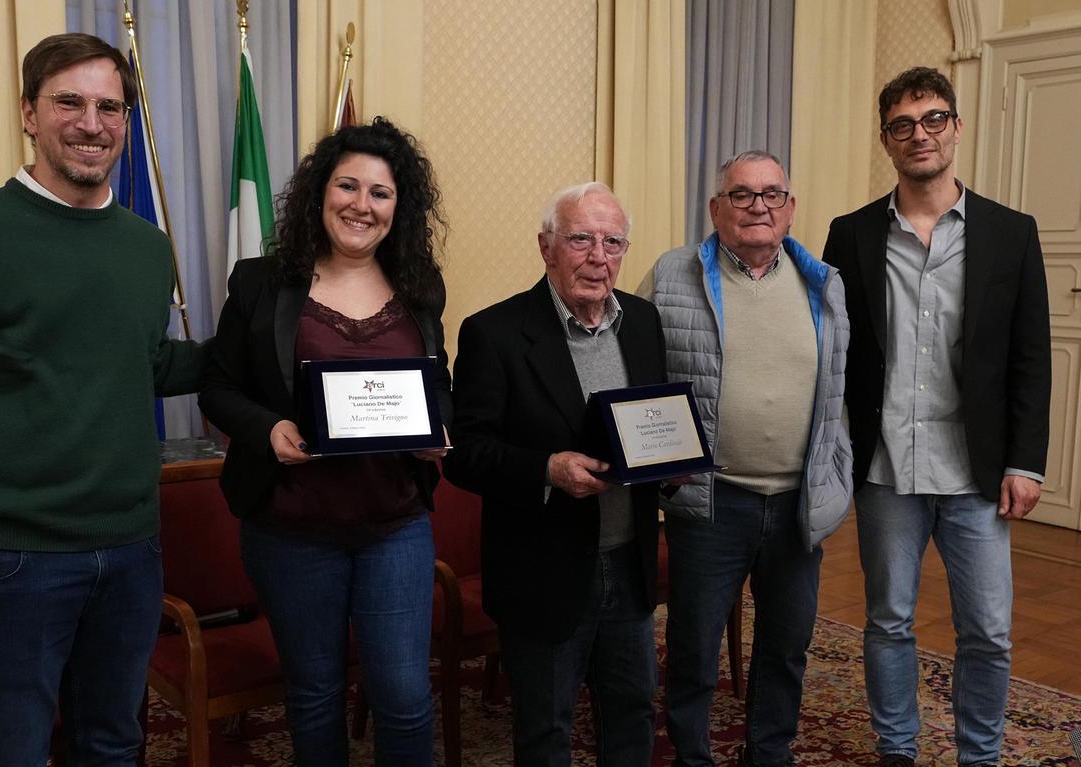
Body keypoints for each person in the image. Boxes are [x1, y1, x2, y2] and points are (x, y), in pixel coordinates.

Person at [0, 33, 208, 764]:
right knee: (12, 749)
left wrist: (271, 349)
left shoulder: (145, 247)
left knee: (115, 742)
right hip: (12, 561)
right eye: (70, 102)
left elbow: (144, 363)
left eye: (110, 107)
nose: (92, 123)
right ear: (29, 113)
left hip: (131, 550)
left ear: (125, 120)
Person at [198, 117, 450, 767]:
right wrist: (266, 428)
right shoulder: (260, 283)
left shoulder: (421, 288)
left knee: (403, 693)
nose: (361, 204)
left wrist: (438, 432)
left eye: (380, 192)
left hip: (394, 525)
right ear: (318, 193)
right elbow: (217, 386)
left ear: (400, 207)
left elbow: (437, 383)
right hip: (290, 529)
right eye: (347, 185)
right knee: (313, 694)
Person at [823, 67, 1051, 767]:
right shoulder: (852, 234)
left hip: (976, 472)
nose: (918, 134)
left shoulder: (1012, 234)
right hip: (885, 467)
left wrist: (1026, 459)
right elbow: (836, 352)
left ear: (955, 127)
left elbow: (1030, 356)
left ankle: (978, 755)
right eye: (902, 124)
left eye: (933, 119)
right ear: (886, 139)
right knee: (889, 621)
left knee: (987, 630)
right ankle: (898, 748)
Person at [636, 150, 852, 767]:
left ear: (790, 208)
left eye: (771, 194)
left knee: (786, 646)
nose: (758, 205)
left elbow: (840, 385)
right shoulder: (674, 272)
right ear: (716, 208)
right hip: (711, 500)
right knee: (694, 646)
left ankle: (770, 753)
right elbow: (639, 371)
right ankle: (692, 755)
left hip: (798, 502)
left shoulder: (824, 282)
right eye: (742, 194)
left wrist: (835, 471)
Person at [444, 182, 665, 767]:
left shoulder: (643, 322)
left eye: (613, 241)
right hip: (543, 569)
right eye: (581, 239)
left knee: (633, 709)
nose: (599, 256)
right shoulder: (493, 333)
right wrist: (546, 469)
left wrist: (669, 468)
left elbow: (649, 426)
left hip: (628, 557)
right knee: (546, 730)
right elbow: (465, 453)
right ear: (546, 246)